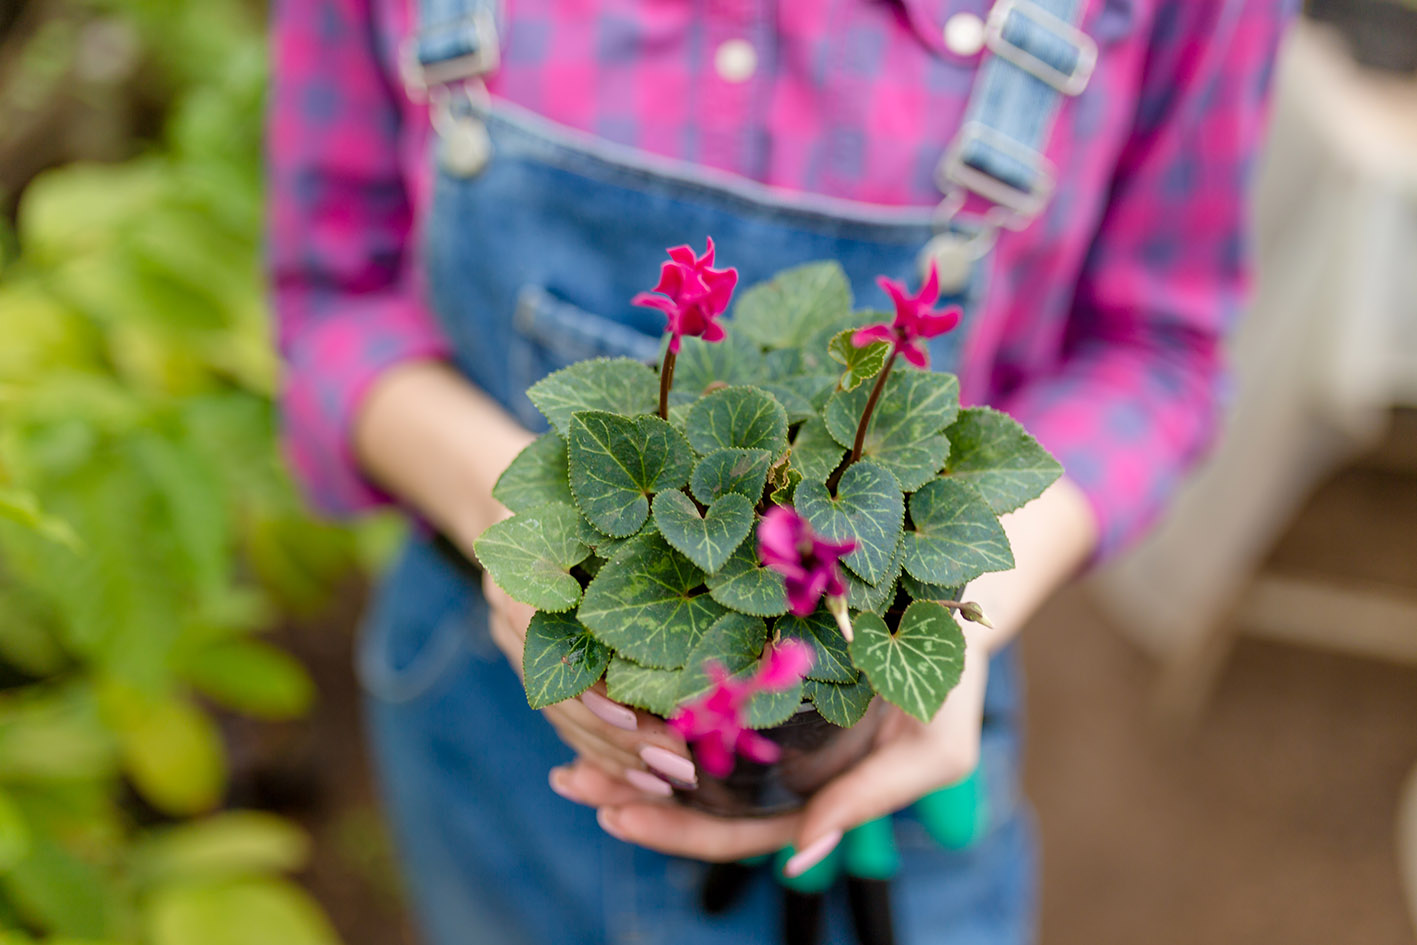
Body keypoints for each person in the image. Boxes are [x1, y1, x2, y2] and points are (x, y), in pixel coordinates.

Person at [267, 1, 1295, 942]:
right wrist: (517, 522)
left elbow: (1158, 347)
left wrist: (954, 608)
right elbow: (330, 297)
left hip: (896, 753)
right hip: (494, 726)